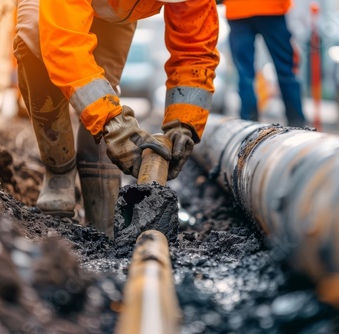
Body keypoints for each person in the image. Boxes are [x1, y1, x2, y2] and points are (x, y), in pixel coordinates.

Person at [14, 0, 220, 237]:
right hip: (54, 8)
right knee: (35, 40)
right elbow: (63, 44)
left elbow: (195, 53)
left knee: (102, 88)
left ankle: (103, 216)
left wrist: (184, 124)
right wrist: (113, 123)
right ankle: (59, 170)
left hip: (116, 10)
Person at [223, 0, 305, 126]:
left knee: (245, 74)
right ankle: (297, 121)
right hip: (271, 7)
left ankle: (248, 123)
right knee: (285, 70)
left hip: (238, 9)